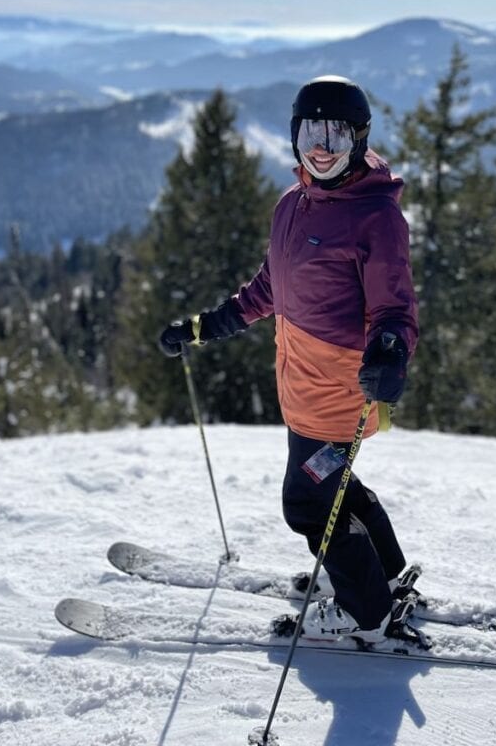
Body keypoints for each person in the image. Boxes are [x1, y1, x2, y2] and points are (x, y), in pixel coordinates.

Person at [159, 75, 418, 643]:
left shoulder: (376, 216)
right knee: (335, 489)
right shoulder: (292, 205)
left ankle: (367, 612)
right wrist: (202, 328)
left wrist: (391, 352)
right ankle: (388, 578)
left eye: (336, 133)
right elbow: (266, 290)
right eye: (309, 133)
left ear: (359, 139)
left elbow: (395, 307)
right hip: (302, 389)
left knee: (306, 503)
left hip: (338, 394)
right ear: (294, 138)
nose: (321, 146)